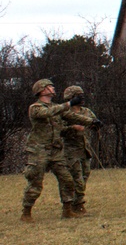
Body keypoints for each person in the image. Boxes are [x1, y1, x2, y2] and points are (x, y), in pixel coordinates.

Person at [20, 79, 99, 222]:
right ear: (42, 90)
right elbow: (48, 113)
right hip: (39, 151)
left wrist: (92, 122)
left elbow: (72, 116)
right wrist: (69, 104)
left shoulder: (58, 107)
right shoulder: (35, 108)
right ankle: (26, 212)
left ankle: (67, 210)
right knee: (35, 182)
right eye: (50, 87)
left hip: (55, 151)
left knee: (67, 180)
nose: (53, 88)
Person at [60, 85, 100, 215]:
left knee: (84, 176)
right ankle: (74, 205)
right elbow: (58, 130)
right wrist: (73, 128)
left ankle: (77, 203)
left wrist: (96, 125)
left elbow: (93, 123)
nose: (81, 98)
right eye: (78, 96)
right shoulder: (64, 113)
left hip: (85, 150)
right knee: (75, 178)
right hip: (71, 151)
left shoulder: (86, 112)